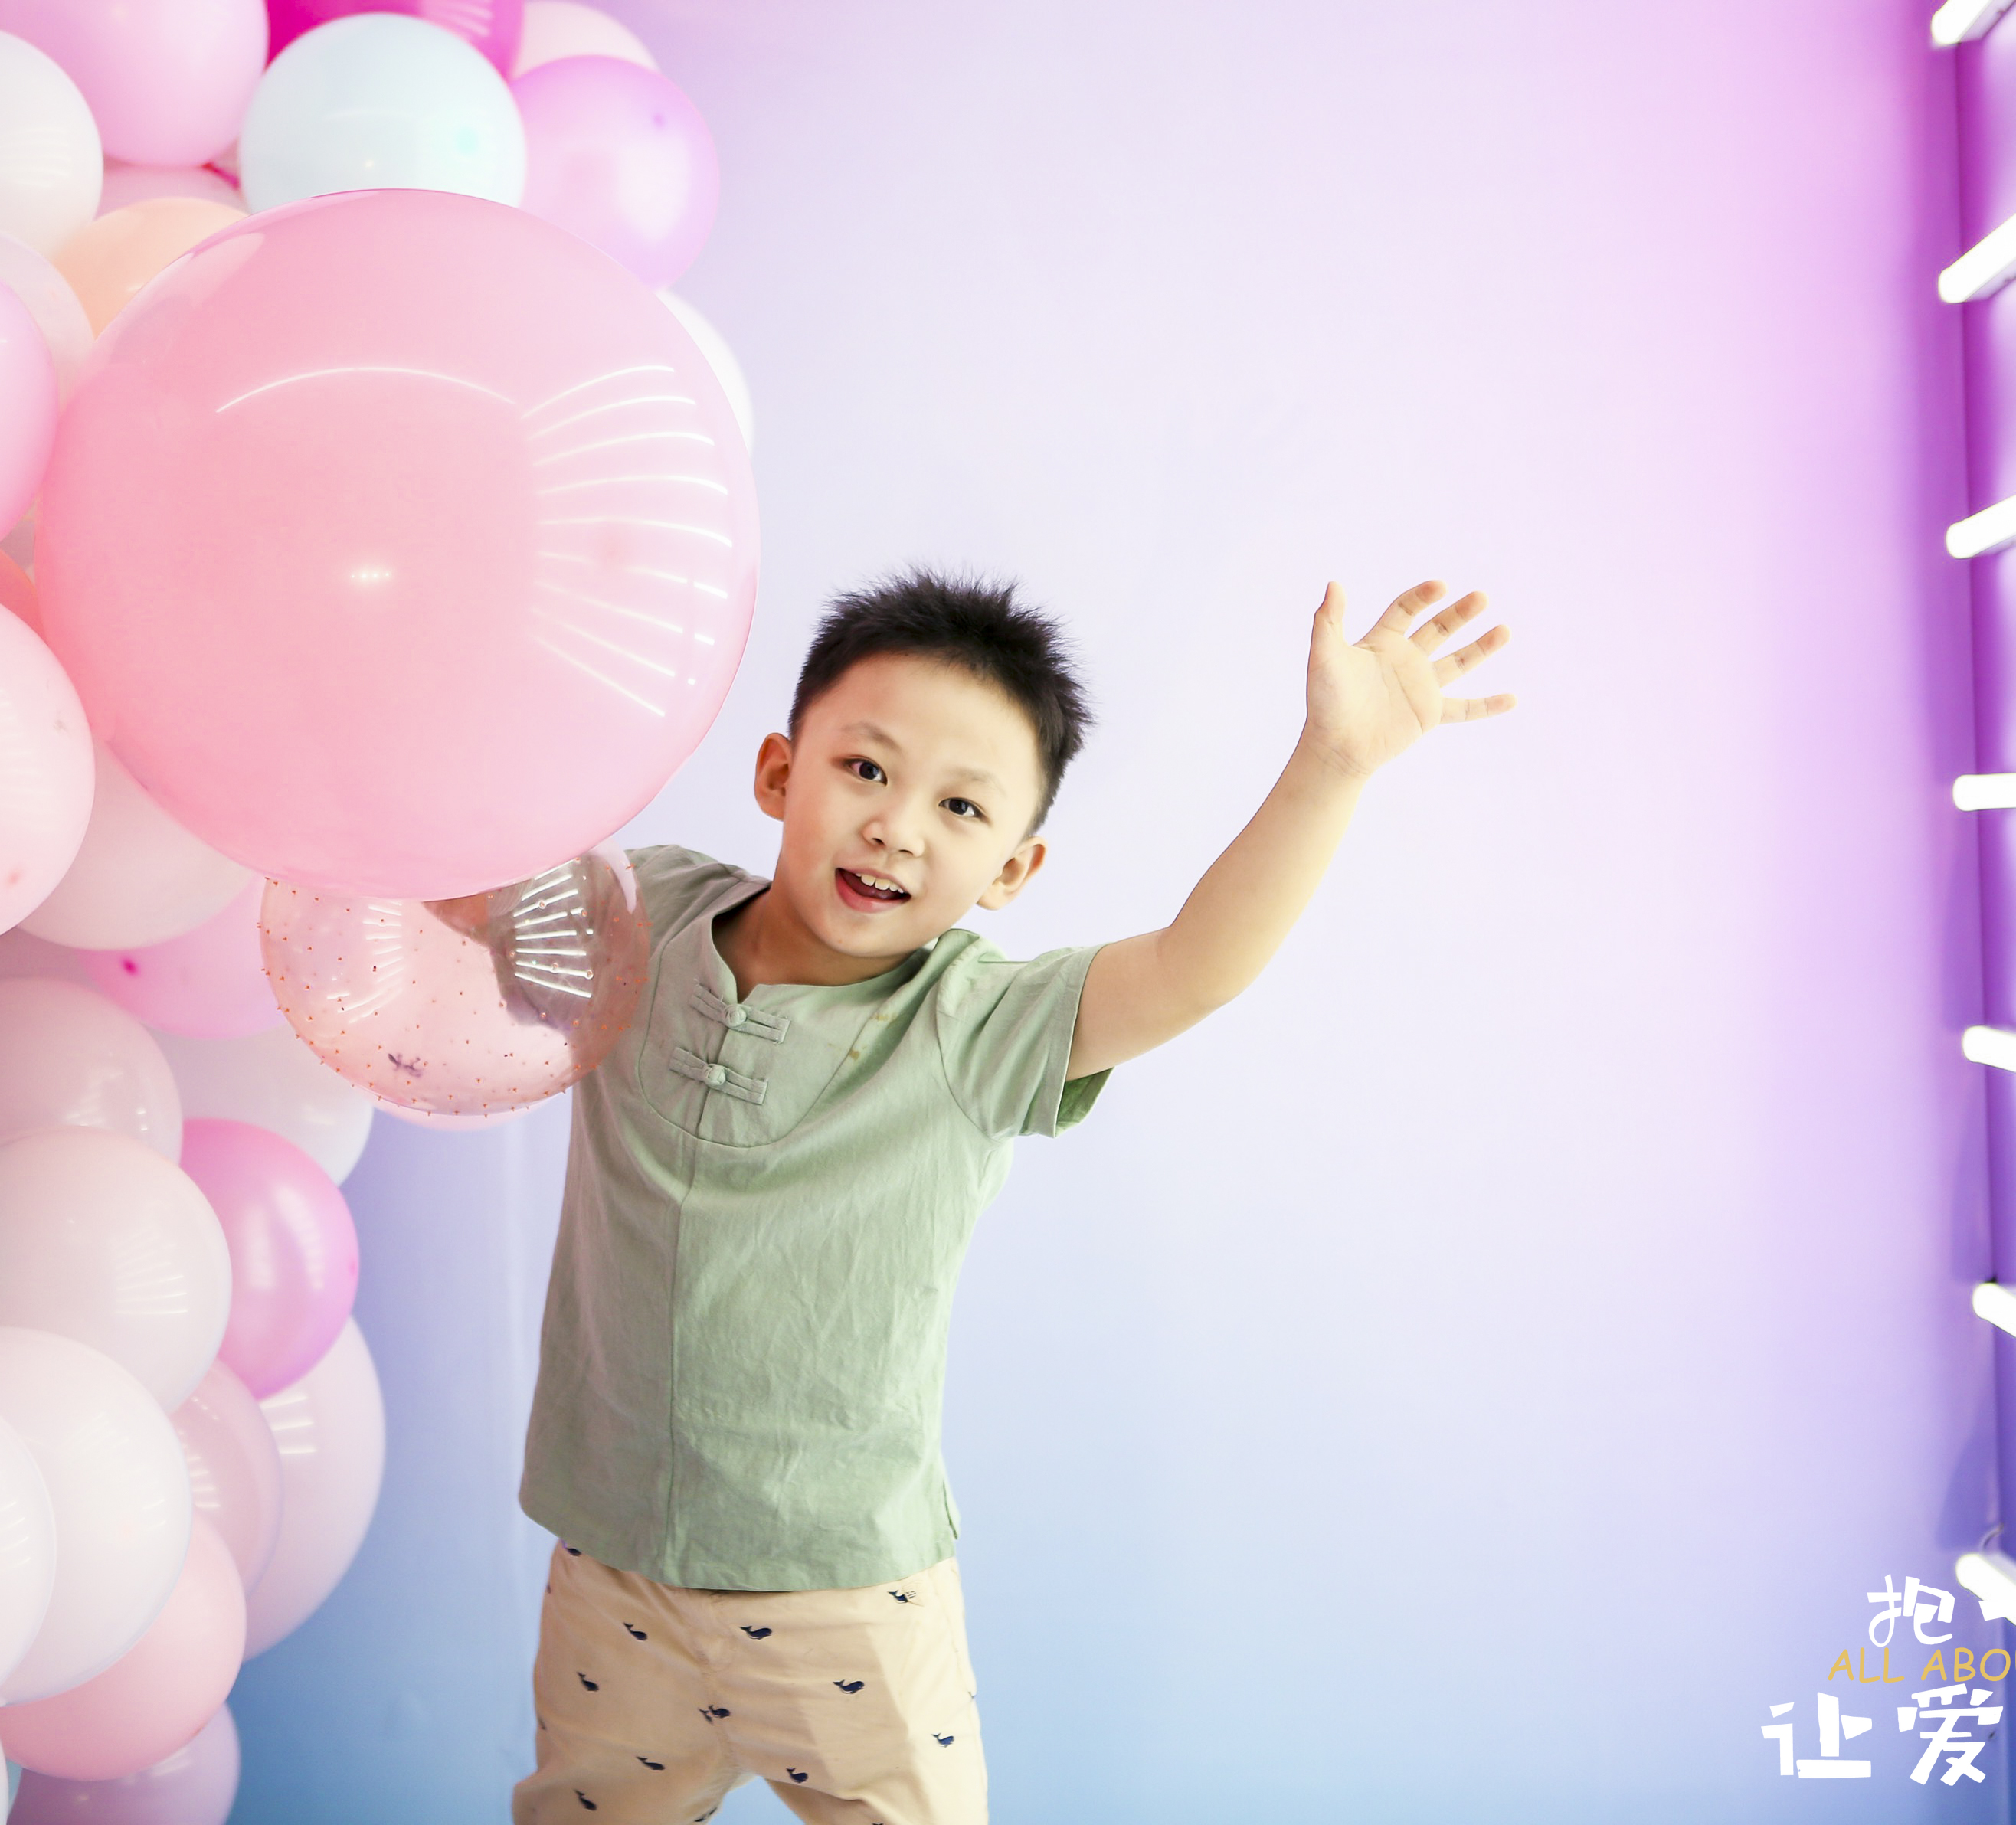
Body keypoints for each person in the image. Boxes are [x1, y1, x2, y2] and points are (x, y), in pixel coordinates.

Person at [512, 569, 1515, 1824]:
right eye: (865, 770)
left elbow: (1193, 969)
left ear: (1012, 867)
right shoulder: (646, 913)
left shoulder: (974, 1022)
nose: (897, 828)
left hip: (842, 1593)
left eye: (961, 806)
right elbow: (459, 883)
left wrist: (1334, 765)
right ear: (777, 773)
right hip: (612, 1565)